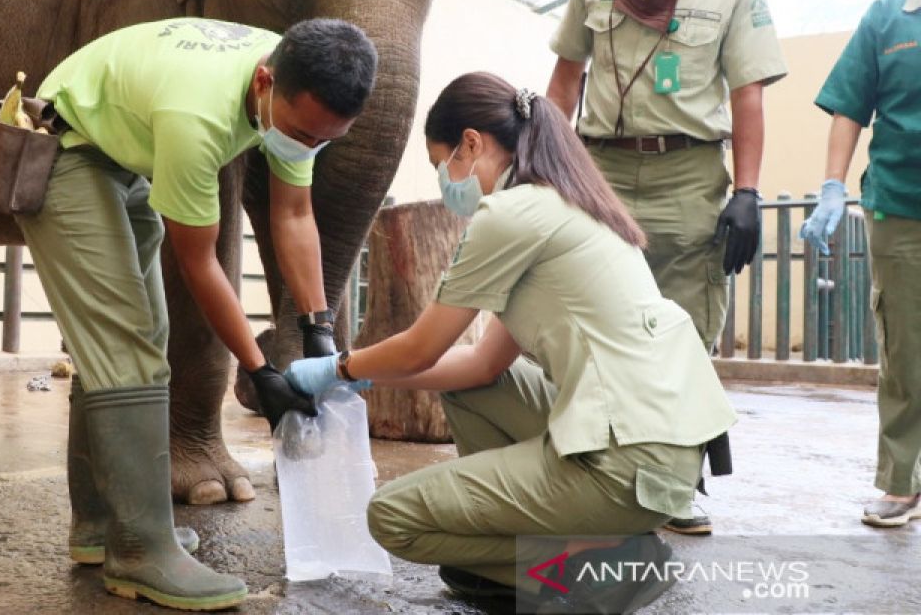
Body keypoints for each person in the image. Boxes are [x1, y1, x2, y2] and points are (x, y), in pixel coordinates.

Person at [285, 72, 736, 611]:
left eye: (442, 163)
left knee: (392, 516)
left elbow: (421, 347)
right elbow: (480, 365)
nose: (444, 181)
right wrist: (364, 377)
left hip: (624, 463)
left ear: (471, 144)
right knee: (476, 388)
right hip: (659, 453)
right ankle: (571, 541)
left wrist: (336, 368)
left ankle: (602, 569)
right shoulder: (569, 202)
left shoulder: (509, 214)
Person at [18, 16, 377, 610]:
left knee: (139, 341)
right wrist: (259, 369)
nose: (306, 147)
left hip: (121, 150)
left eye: (324, 140)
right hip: (66, 147)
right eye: (301, 134)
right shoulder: (199, 115)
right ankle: (140, 551)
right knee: (125, 347)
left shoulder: (298, 96)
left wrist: (319, 330)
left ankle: (100, 527)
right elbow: (200, 262)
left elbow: (293, 216)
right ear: (264, 82)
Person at [544, 0, 786, 535]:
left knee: (680, 337)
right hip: (599, 172)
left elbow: (748, 95)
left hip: (686, 174)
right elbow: (565, 80)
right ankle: (590, 476)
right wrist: (543, 158)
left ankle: (673, 487)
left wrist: (748, 191)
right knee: (590, 328)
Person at [799, 0, 921, 529]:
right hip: (901, 209)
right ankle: (901, 482)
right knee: (906, 352)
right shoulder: (889, 16)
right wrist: (831, 185)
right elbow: (851, 107)